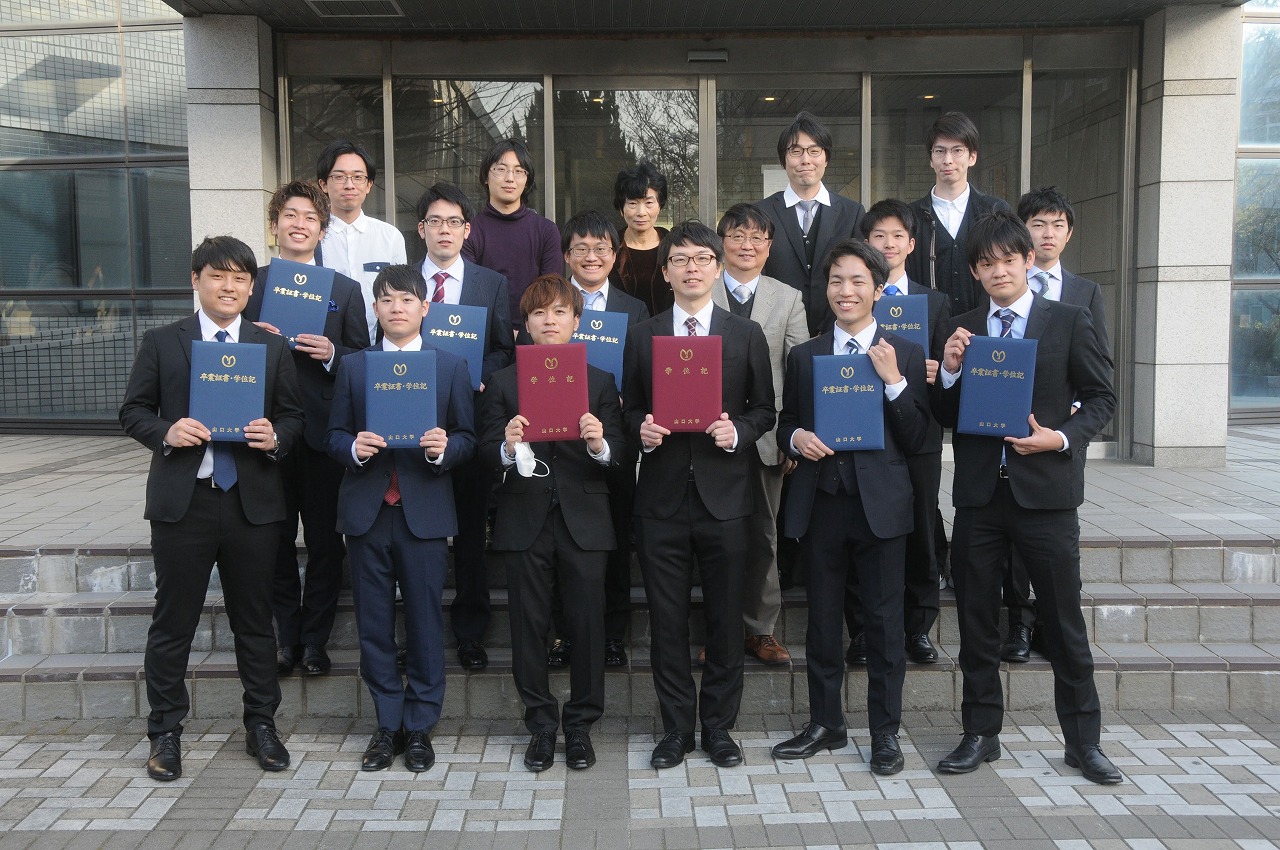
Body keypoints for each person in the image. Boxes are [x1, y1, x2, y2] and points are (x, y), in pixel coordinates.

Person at [932, 211, 1121, 786]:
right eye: (986, 263)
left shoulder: (1067, 320)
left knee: (1063, 621)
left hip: (1047, 497)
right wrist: (950, 371)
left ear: (1029, 261)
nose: (999, 271)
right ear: (974, 270)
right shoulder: (963, 327)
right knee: (976, 620)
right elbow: (943, 415)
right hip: (980, 498)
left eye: (1008, 260)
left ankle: (1083, 742)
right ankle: (980, 733)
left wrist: (1059, 438)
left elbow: (1102, 398)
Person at [119, 236, 305, 781]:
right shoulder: (162, 342)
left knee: (255, 621)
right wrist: (166, 431)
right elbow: (133, 410)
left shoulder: (270, 346)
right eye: (218, 276)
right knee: (173, 622)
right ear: (196, 280)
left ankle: (261, 725)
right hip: (185, 502)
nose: (229, 287)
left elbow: (294, 418)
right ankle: (165, 732)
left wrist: (275, 437)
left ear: (251, 287)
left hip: (252, 504)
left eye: (240, 278)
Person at [770, 239, 928, 776]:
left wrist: (894, 382)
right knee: (821, 621)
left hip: (881, 506)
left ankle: (885, 733)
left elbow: (919, 437)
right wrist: (797, 440)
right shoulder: (806, 355)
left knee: (884, 623)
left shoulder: (904, 351)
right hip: (822, 504)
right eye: (837, 280)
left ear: (879, 290)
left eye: (859, 281)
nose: (846, 291)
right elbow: (786, 422)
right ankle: (825, 723)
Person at [623, 221, 775, 770]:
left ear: (718, 267)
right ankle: (675, 730)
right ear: (665, 272)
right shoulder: (642, 335)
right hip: (661, 499)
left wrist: (740, 432)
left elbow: (765, 410)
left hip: (727, 497)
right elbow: (628, 408)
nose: (692, 268)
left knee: (725, 618)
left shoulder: (745, 334)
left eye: (702, 258)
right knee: (666, 621)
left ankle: (718, 727)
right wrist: (640, 428)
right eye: (680, 259)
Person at [326, 264, 476, 773]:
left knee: (425, 622)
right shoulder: (355, 367)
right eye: (387, 299)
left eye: (407, 299)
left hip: (424, 512)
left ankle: (420, 726)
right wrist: (354, 447)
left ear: (424, 307)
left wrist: (443, 449)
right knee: (373, 624)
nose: (397, 308)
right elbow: (332, 435)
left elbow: (468, 437)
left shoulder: (449, 366)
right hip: (367, 512)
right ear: (375, 308)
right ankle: (387, 723)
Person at [480, 274, 624, 772]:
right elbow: (483, 453)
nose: (549, 320)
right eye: (539, 313)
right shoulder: (504, 382)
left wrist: (599, 443)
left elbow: (621, 453)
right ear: (525, 324)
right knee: (528, 624)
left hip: (585, 517)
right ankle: (541, 724)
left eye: (560, 311)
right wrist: (506, 446)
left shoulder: (600, 380)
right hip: (525, 516)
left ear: (577, 321)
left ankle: (581, 724)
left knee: (587, 623)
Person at [243, 180, 370, 678]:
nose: (300, 225)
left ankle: (315, 640)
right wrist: (253, 339)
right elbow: (223, 347)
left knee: (324, 543)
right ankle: (286, 638)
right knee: (274, 540)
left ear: (322, 229)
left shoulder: (343, 288)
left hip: (321, 434)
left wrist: (334, 353)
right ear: (274, 225)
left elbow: (362, 359)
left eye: (310, 218)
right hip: (265, 432)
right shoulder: (251, 283)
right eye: (290, 215)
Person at [1000, 186, 1115, 663]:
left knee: (1057, 545)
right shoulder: (1001, 283)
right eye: (1038, 224)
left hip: (1060, 442)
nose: (1047, 233)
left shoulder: (1086, 293)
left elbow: (1098, 371)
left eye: (1057, 225)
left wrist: (1068, 430)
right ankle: (1020, 623)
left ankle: (1052, 625)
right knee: (1012, 541)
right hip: (1007, 441)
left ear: (1069, 233)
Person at [844, 199, 951, 667]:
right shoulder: (850, 296)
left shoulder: (936, 302)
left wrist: (939, 370)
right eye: (878, 236)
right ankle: (862, 630)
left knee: (922, 529)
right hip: (863, 430)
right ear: (866, 242)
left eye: (897, 236)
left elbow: (951, 374)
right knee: (862, 529)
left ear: (912, 244)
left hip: (918, 434)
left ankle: (918, 625)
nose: (888, 244)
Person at [415, 181, 515, 670]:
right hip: (415, 424)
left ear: (467, 230)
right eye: (435, 221)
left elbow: (503, 348)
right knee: (420, 533)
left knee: (472, 533)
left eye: (454, 222)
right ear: (421, 229)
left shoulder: (489, 283)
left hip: (470, 424)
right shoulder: (404, 283)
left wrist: (478, 374)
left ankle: (471, 632)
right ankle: (420, 631)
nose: (445, 230)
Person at [548, 211, 651, 669]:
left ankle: (612, 635)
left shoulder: (634, 309)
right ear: (566, 255)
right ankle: (564, 635)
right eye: (581, 249)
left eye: (601, 249)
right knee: (559, 543)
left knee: (613, 538)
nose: (591, 257)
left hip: (613, 442)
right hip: (557, 446)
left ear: (615, 254)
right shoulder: (549, 303)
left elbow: (644, 372)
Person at [709, 203, 808, 665]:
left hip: (767, 438)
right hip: (708, 436)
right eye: (736, 236)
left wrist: (791, 435)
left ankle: (761, 629)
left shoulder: (787, 298)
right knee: (714, 537)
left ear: (769, 247)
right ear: (721, 242)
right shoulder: (700, 288)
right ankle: (719, 632)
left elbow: (798, 370)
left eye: (757, 238)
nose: (746, 246)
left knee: (764, 535)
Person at [757, 111, 866, 335]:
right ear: (784, 159)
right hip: (777, 330)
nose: (805, 160)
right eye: (796, 151)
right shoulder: (761, 213)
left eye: (814, 151)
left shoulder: (852, 213)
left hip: (838, 330)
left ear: (826, 158)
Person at [903, 112, 1012, 318]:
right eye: (940, 151)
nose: (948, 160)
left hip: (985, 325)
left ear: (972, 157)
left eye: (957, 150)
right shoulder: (910, 216)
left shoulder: (995, 210)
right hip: (927, 326)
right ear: (931, 159)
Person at [463, 138, 563, 329]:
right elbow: (469, 292)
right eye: (501, 169)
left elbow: (550, 293)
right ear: (485, 177)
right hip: (483, 333)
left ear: (527, 180)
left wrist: (524, 332)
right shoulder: (469, 230)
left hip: (533, 334)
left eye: (519, 171)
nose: (510, 178)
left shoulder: (546, 231)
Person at [315, 139, 408, 341]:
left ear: (369, 185)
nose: (349, 185)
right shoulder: (312, 236)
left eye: (358, 177)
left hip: (379, 344)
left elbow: (400, 296)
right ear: (323, 184)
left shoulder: (390, 237)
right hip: (324, 347)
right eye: (339, 177)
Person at [609, 162, 673, 317]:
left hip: (668, 329)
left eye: (649, 203)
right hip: (622, 329)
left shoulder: (674, 246)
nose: (641, 212)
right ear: (621, 208)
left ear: (659, 206)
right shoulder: (609, 248)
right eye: (632, 203)